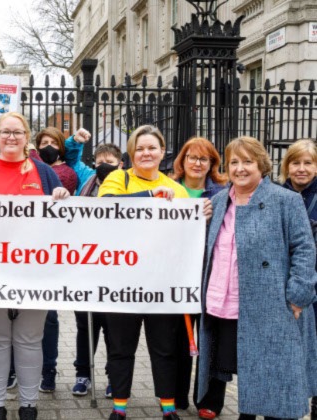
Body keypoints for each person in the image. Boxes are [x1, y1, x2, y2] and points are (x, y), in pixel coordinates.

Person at [197, 136, 317, 420]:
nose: (240, 168)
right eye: (234, 162)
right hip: (226, 305)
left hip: (273, 305)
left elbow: (303, 248)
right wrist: (198, 224)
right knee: (247, 374)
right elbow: (209, 251)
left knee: (275, 376)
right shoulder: (217, 201)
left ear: (262, 165)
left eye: (247, 162)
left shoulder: (285, 200)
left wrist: (298, 296)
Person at [0, 111, 69, 420]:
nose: (11, 137)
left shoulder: (44, 173)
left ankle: (28, 405)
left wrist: (63, 197)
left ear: (26, 137)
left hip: (35, 269)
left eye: (17, 132)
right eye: (5, 132)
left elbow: (64, 225)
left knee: (29, 338)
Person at [98, 125, 211, 420]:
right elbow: (106, 207)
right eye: (140, 148)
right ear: (131, 153)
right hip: (121, 281)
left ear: (163, 152)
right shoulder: (117, 178)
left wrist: (200, 216)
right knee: (121, 347)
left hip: (162, 282)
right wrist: (149, 194)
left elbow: (186, 236)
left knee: (163, 348)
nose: (146, 153)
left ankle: (168, 406)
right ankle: (120, 406)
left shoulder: (176, 188)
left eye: (152, 148)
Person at [170, 137, 227, 418]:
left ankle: (209, 401)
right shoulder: (169, 190)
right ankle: (176, 396)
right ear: (182, 161)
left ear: (212, 164)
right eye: (191, 157)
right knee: (177, 339)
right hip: (177, 276)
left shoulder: (222, 194)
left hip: (212, 277)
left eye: (204, 159)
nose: (197, 163)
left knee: (211, 339)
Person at [66, 142, 122, 397]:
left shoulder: (128, 187)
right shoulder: (85, 187)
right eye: (99, 162)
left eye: (109, 160)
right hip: (86, 268)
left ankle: (114, 377)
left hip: (117, 269)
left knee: (113, 328)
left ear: (121, 164)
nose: (104, 166)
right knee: (85, 325)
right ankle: (83, 374)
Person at [279, 138, 317, 420]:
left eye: (308, 163)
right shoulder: (277, 195)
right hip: (284, 286)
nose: (301, 169)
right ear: (286, 166)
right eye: (296, 162)